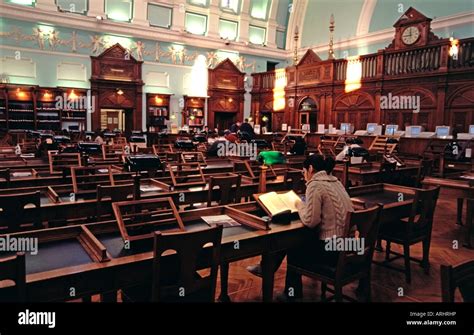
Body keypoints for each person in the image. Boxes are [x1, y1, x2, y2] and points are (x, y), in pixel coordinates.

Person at [247, 154, 354, 301]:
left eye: (303, 172)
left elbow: (311, 221)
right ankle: (267, 268)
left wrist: (299, 205)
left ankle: (290, 293)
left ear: (310, 169)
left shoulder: (315, 184)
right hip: (348, 246)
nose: (304, 177)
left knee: (292, 245)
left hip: (332, 251)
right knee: (296, 242)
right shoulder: (336, 181)